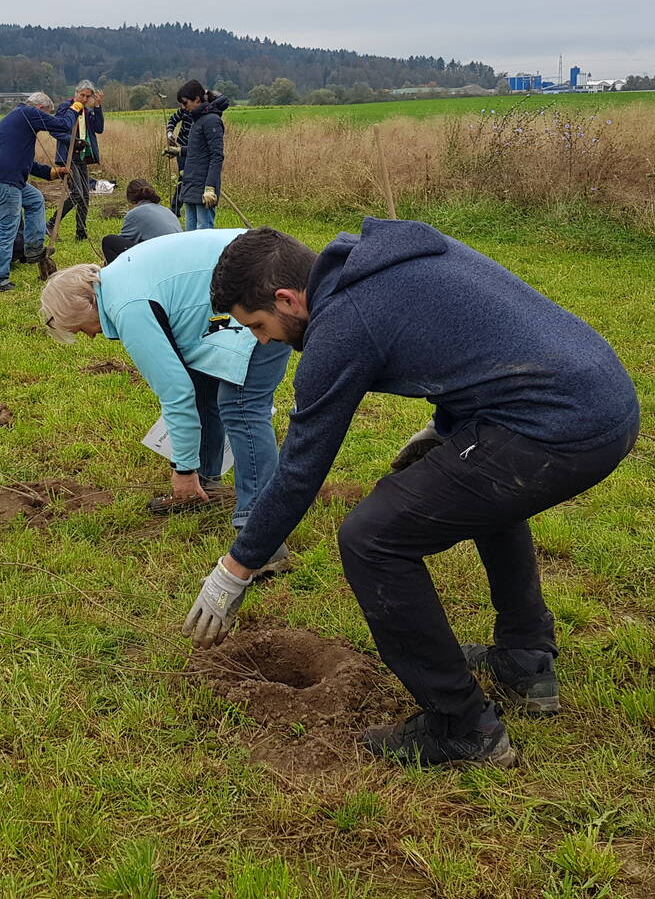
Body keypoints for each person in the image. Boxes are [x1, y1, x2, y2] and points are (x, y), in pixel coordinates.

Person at [183, 220, 640, 768]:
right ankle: (524, 658)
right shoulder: (382, 259)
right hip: (602, 397)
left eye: (258, 325)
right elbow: (472, 338)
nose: (262, 339)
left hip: (558, 428)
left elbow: (302, 467)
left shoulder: (342, 322)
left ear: (287, 298)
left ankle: (462, 728)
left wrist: (236, 568)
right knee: (482, 491)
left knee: (371, 537)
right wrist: (448, 431)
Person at [39, 230, 291, 553]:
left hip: (266, 290)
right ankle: (207, 486)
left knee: (240, 405)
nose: (87, 336)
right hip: (265, 271)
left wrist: (182, 470)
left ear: (81, 306)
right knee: (204, 385)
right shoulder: (120, 279)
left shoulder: (125, 305)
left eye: (77, 328)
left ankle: (262, 538)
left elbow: (175, 393)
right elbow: (189, 384)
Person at [0, 91, 79, 291]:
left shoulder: (18, 120)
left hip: (4, 175)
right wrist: (75, 106)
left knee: (34, 199)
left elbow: (26, 162)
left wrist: (52, 172)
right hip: (4, 179)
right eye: (46, 114)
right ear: (40, 109)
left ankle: (33, 250)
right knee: (7, 228)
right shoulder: (28, 113)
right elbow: (63, 125)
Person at [48, 81, 105, 242]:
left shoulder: (87, 111)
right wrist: (72, 140)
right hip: (68, 156)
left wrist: (98, 107)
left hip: (82, 157)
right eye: (83, 95)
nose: (85, 99)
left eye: (88, 96)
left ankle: (81, 232)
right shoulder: (66, 107)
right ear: (76, 93)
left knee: (85, 195)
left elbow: (99, 129)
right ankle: (51, 223)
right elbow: (55, 129)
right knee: (77, 193)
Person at [176, 81, 229, 231]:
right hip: (191, 185)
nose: (183, 107)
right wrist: (178, 151)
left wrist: (210, 187)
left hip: (203, 187)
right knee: (190, 234)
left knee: (203, 234)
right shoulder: (198, 120)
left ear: (197, 99)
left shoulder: (212, 121)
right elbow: (196, 150)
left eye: (185, 103)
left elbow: (217, 156)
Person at [101, 179, 182, 264]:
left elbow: (122, 243)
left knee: (109, 241)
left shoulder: (135, 213)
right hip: (177, 256)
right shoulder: (166, 210)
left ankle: (116, 274)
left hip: (160, 258)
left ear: (130, 198)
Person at [163, 81, 202, 217]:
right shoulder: (184, 111)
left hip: (196, 151)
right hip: (181, 150)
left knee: (191, 179)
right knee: (183, 178)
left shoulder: (202, 116)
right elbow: (172, 120)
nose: (182, 107)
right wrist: (169, 133)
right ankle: (175, 209)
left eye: (184, 103)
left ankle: (192, 206)